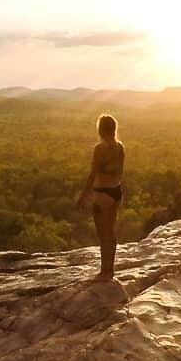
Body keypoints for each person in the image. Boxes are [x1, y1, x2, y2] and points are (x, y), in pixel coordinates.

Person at [75, 113, 125, 280]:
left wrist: (83, 196)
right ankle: (110, 270)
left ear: (100, 129)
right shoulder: (120, 147)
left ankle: (105, 272)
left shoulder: (100, 148)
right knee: (111, 233)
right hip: (116, 192)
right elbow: (120, 172)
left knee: (103, 234)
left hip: (102, 193)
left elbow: (92, 175)